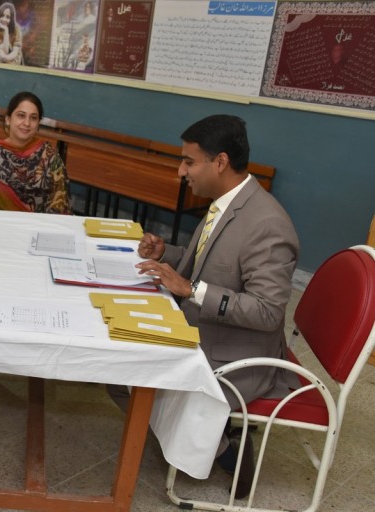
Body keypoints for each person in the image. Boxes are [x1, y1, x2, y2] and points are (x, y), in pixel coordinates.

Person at [107, 115, 299, 498]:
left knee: (125, 369)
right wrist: (166, 253)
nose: (181, 172)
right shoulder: (226, 203)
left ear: (220, 162)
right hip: (208, 327)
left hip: (238, 352)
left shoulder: (267, 224)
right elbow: (209, 264)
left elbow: (267, 312)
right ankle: (193, 432)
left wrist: (190, 289)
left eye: (189, 162)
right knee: (117, 356)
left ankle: (228, 453)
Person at [0, 91, 72, 214]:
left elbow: (60, 205)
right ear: (8, 119)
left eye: (33, 118)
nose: (27, 123)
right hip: (0, 223)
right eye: (21, 115)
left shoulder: (49, 156)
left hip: (41, 224)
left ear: (38, 123)